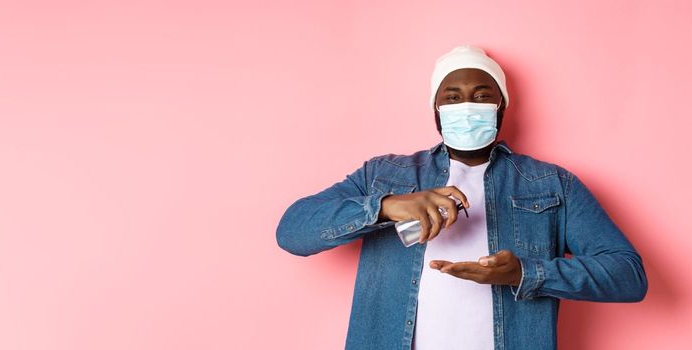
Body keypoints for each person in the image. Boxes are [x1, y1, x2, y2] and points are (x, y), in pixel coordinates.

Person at [275, 45, 648, 350]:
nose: (466, 107)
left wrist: (525, 272)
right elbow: (292, 231)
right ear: (436, 111)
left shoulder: (552, 183)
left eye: (481, 96)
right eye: (452, 98)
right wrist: (385, 206)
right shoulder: (384, 175)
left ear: (501, 106)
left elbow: (628, 275)